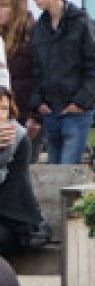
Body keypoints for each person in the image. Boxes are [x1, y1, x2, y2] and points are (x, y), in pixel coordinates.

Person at [27, 0, 95, 166]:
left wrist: (80, 102)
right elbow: (36, 68)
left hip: (75, 111)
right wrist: (38, 102)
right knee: (53, 168)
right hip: (50, 110)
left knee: (68, 170)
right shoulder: (39, 28)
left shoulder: (83, 23)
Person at [0, 85, 49, 254]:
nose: (1, 115)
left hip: (7, 218)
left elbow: (16, 187)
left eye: (4, 109)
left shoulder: (19, 138)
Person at [0, 0, 38, 155]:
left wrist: (36, 116)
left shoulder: (33, 34)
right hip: (5, 110)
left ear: (17, 9)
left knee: (24, 161)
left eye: (3, 5)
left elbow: (40, 76)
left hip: (25, 109)